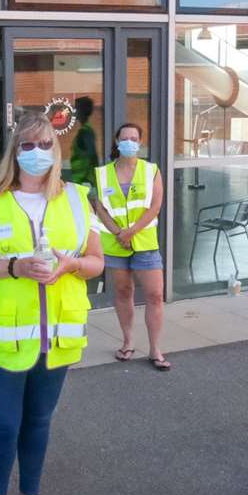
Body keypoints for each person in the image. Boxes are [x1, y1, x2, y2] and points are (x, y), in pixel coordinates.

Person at [0, 112, 104, 495]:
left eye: (45, 145)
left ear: (56, 151)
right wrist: (14, 267)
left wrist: (71, 265)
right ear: (14, 151)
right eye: (27, 145)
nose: (36, 153)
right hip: (2, 338)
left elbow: (97, 261)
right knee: (3, 426)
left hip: (56, 337)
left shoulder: (79, 198)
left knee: (39, 423)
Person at [91, 122, 168, 370]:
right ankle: (127, 342)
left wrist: (131, 232)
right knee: (123, 293)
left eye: (134, 138)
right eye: (125, 138)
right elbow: (99, 207)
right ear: (116, 141)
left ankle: (155, 349)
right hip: (115, 244)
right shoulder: (102, 173)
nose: (129, 142)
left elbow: (155, 206)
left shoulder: (151, 170)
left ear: (140, 142)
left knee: (155, 295)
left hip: (144, 243)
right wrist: (118, 233)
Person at [65, 95, 98, 187]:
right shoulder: (85, 130)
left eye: (76, 109)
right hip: (81, 178)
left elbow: (90, 156)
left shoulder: (85, 132)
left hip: (83, 179)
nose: (74, 112)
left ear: (82, 111)